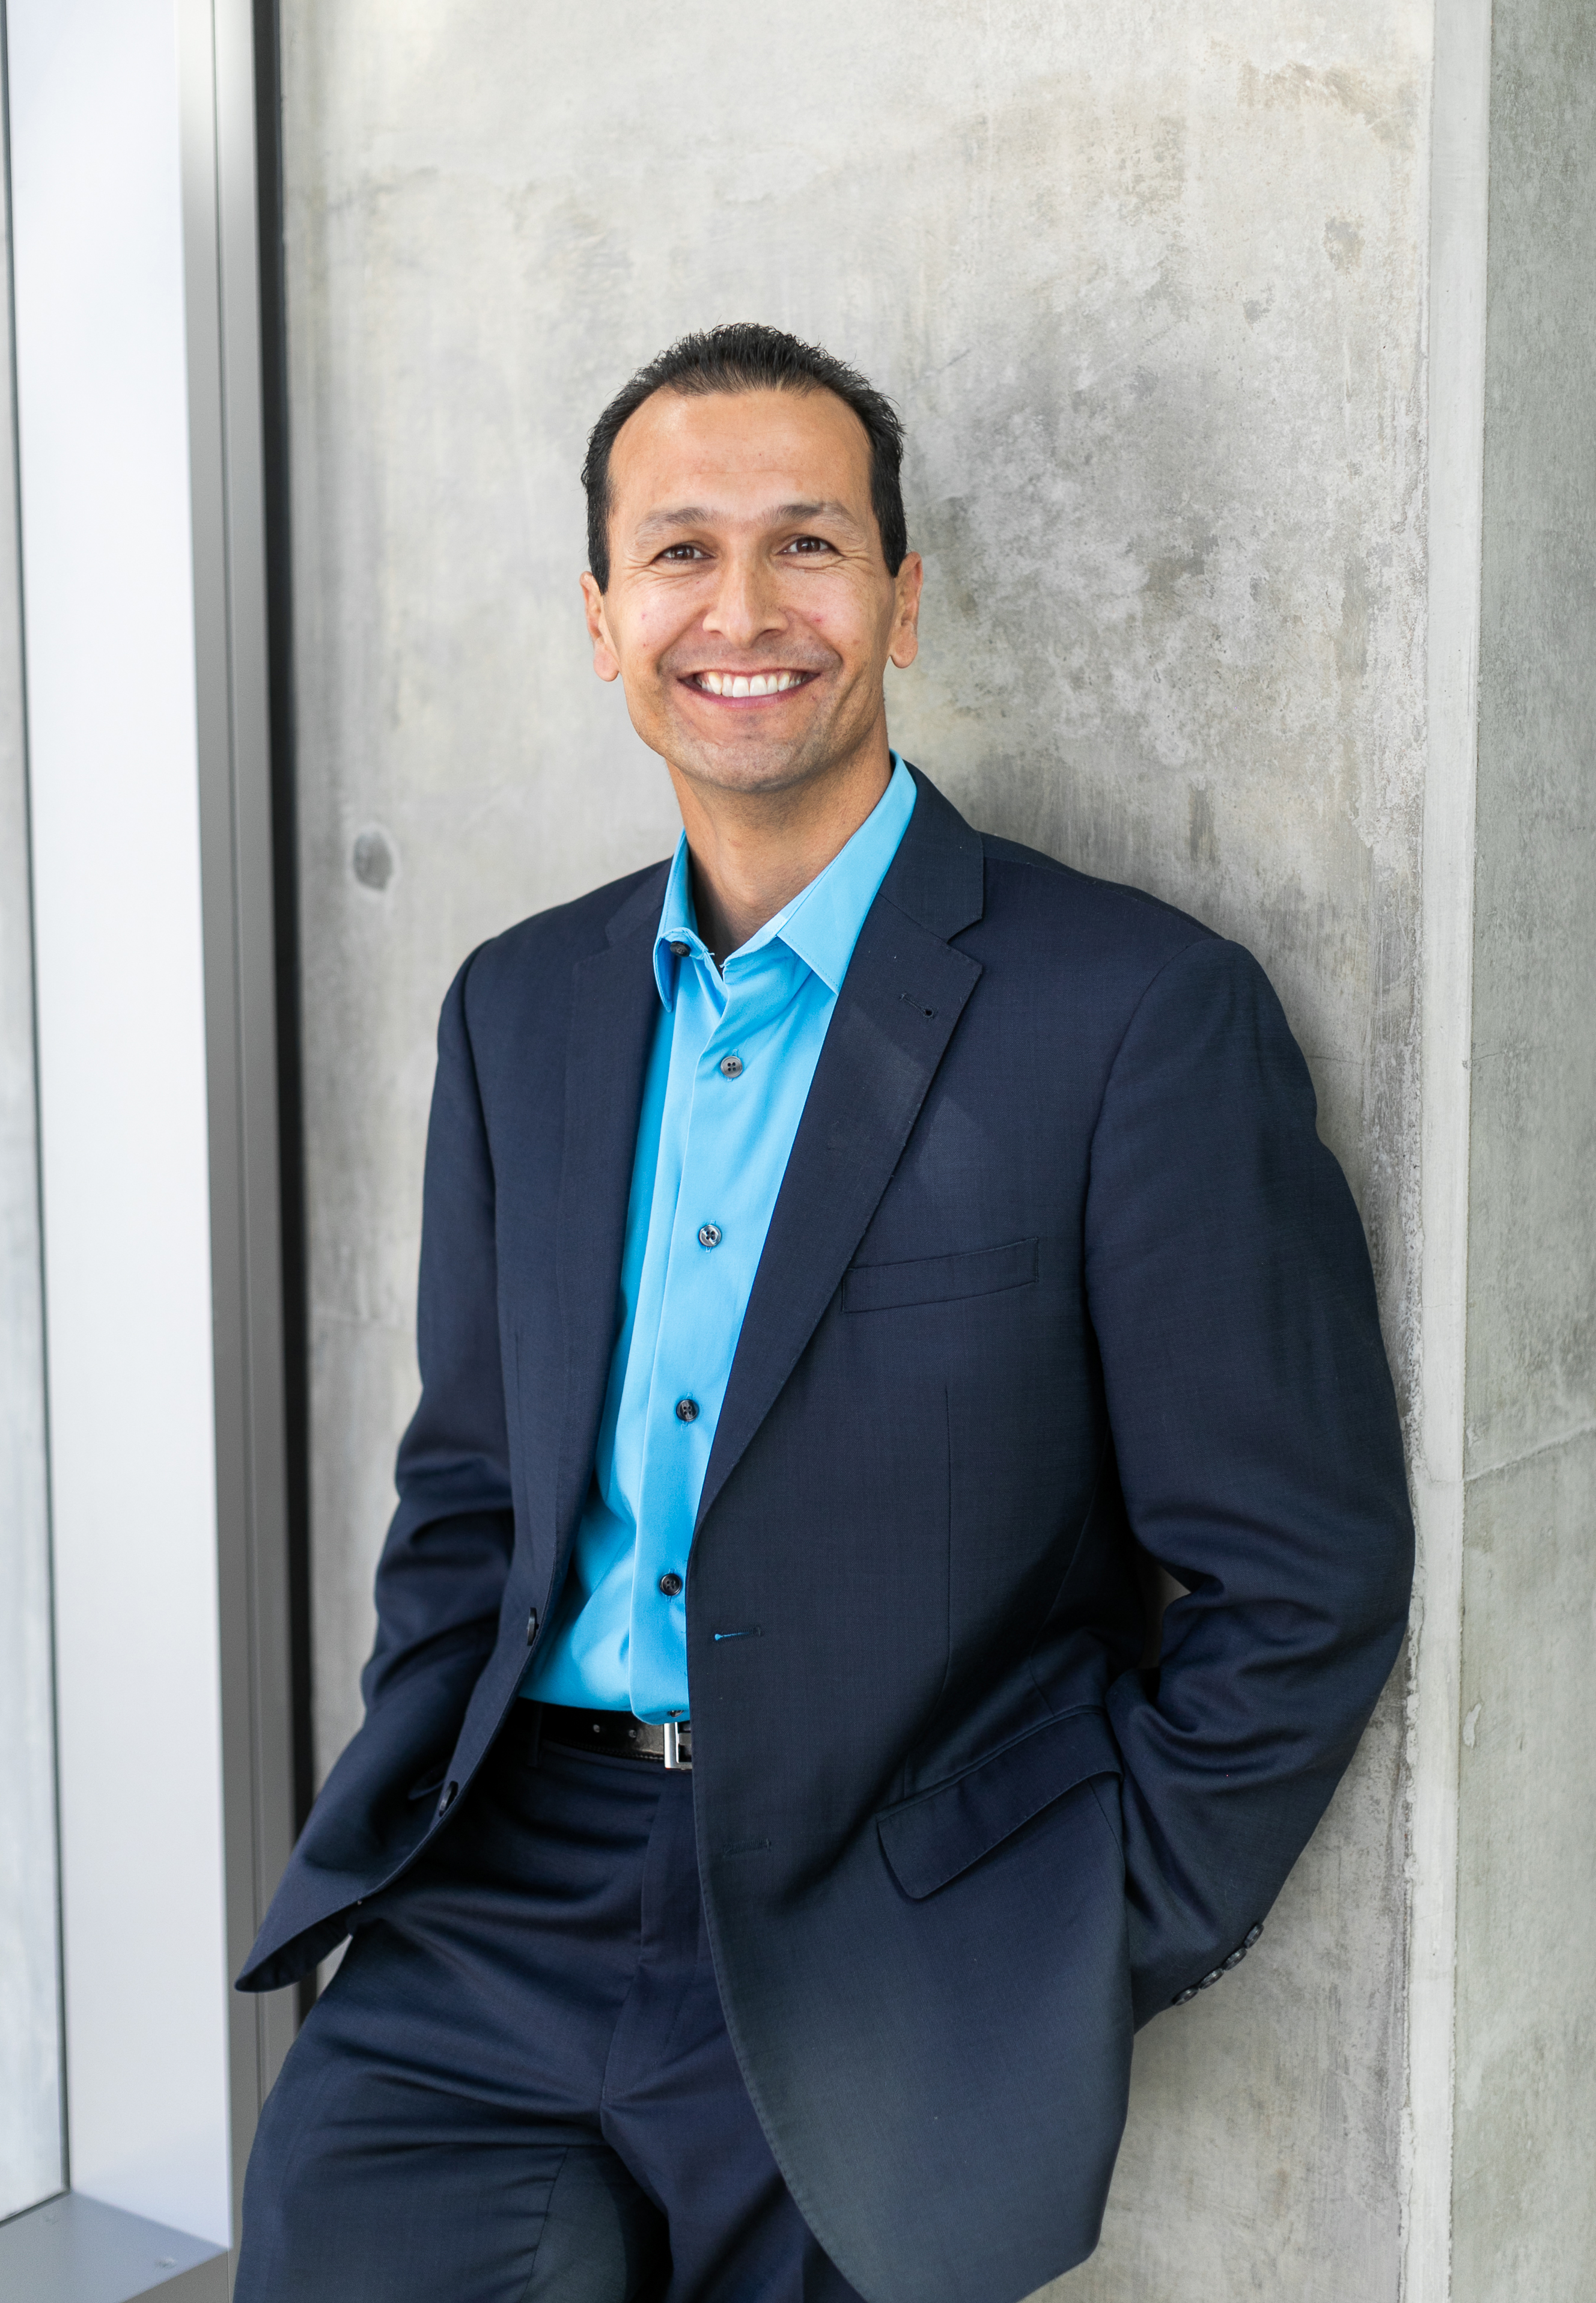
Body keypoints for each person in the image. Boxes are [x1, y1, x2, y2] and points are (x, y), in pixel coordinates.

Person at [234, 323, 1413, 2303]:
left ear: (900, 599)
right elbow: (471, 1490)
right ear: (601, 621)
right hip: (497, 1906)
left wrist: (1080, 1935)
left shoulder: (1133, 1013)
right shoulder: (516, 1008)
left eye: (807, 543)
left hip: (883, 1935)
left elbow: (1298, 1573)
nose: (743, 610)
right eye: (678, 553)